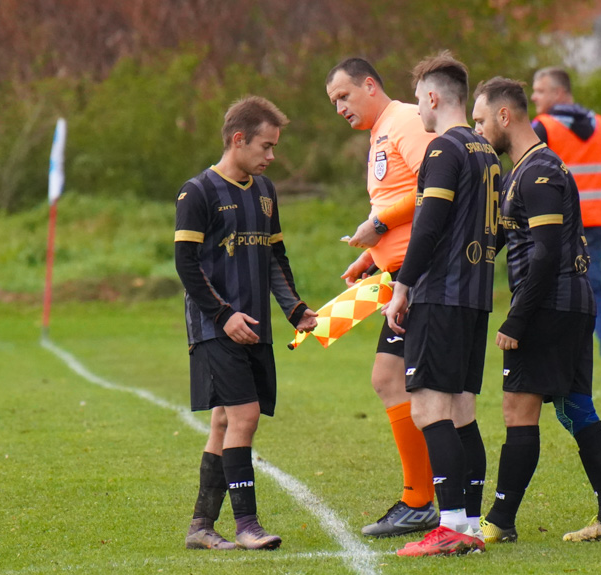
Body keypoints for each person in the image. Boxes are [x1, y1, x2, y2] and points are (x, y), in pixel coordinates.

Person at [471, 77, 601, 544]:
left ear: (505, 116)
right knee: (577, 408)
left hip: (549, 306)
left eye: (480, 121)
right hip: (574, 303)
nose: (479, 132)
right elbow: (501, 241)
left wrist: (517, 317)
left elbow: (543, 254)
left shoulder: (538, 171)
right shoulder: (523, 170)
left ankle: (499, 521)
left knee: (517, 410)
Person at [175, 96, 318, 551]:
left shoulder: (264, 190)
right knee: (244, 416)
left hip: (255, 326)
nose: (271, 156)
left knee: (223, 421)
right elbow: (186, 264)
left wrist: (294, 309)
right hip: (215, 326)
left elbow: (274, 257)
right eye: (266, 146)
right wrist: (223, 314)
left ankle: (200, 527)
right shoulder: (196, 192)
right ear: (238, 140)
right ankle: (248, 526)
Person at [384, 51, 499, 557]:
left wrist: (403, 287)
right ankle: (470, 525)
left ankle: (449, 525)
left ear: (433, 96)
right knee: (462, 411)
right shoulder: (487, 152)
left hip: (442, 294)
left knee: (431, 408)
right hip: (475, 299)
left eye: (418, 99)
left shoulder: (442, 150)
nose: (418, 109)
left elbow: (429, 225)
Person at [325, 58, 439, 537]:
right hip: (398, 275)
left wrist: (380, 224)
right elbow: (400, 204)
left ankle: (427, 500)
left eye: (345, 97)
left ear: (370, 85)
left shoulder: (408, 121)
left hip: (426, 276)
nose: (340, 109)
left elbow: (435, 188)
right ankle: (424, 498)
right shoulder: (381, 132)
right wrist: (372, 256)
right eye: (334, 103)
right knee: (391, 379)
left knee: (422, 389)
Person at [531, 67, 601, 378]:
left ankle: (561, 359)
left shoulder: (542, 127)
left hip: (559, 219)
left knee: (555, 286)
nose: (534, 96)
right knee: (593, 285)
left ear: (559, 93)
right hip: (596, 218)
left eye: (540, 90)